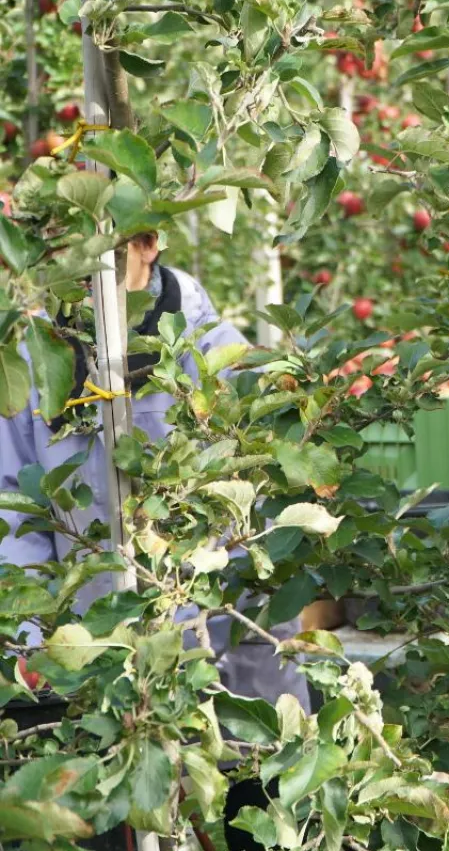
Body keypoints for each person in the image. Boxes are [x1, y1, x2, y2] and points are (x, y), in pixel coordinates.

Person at [0, 233, 308, 851]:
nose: (80, 273)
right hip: (91, 654)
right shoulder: (37, 357)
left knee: (256, 808)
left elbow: (260, 516)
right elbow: (15, 509)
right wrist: (33, 639)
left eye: (100, 252)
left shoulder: (214, 353)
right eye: (62, 251)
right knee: (101, 819)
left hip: (223, 642)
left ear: (148, 243)